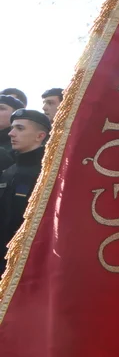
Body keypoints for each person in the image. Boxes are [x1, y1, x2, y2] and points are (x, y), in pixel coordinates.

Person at [0, 109, 51, 271]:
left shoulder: (47, 173)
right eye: (12, 128)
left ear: (40, 136)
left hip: (26, 262)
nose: (11, 133)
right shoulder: (9, 171)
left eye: (20, 128)